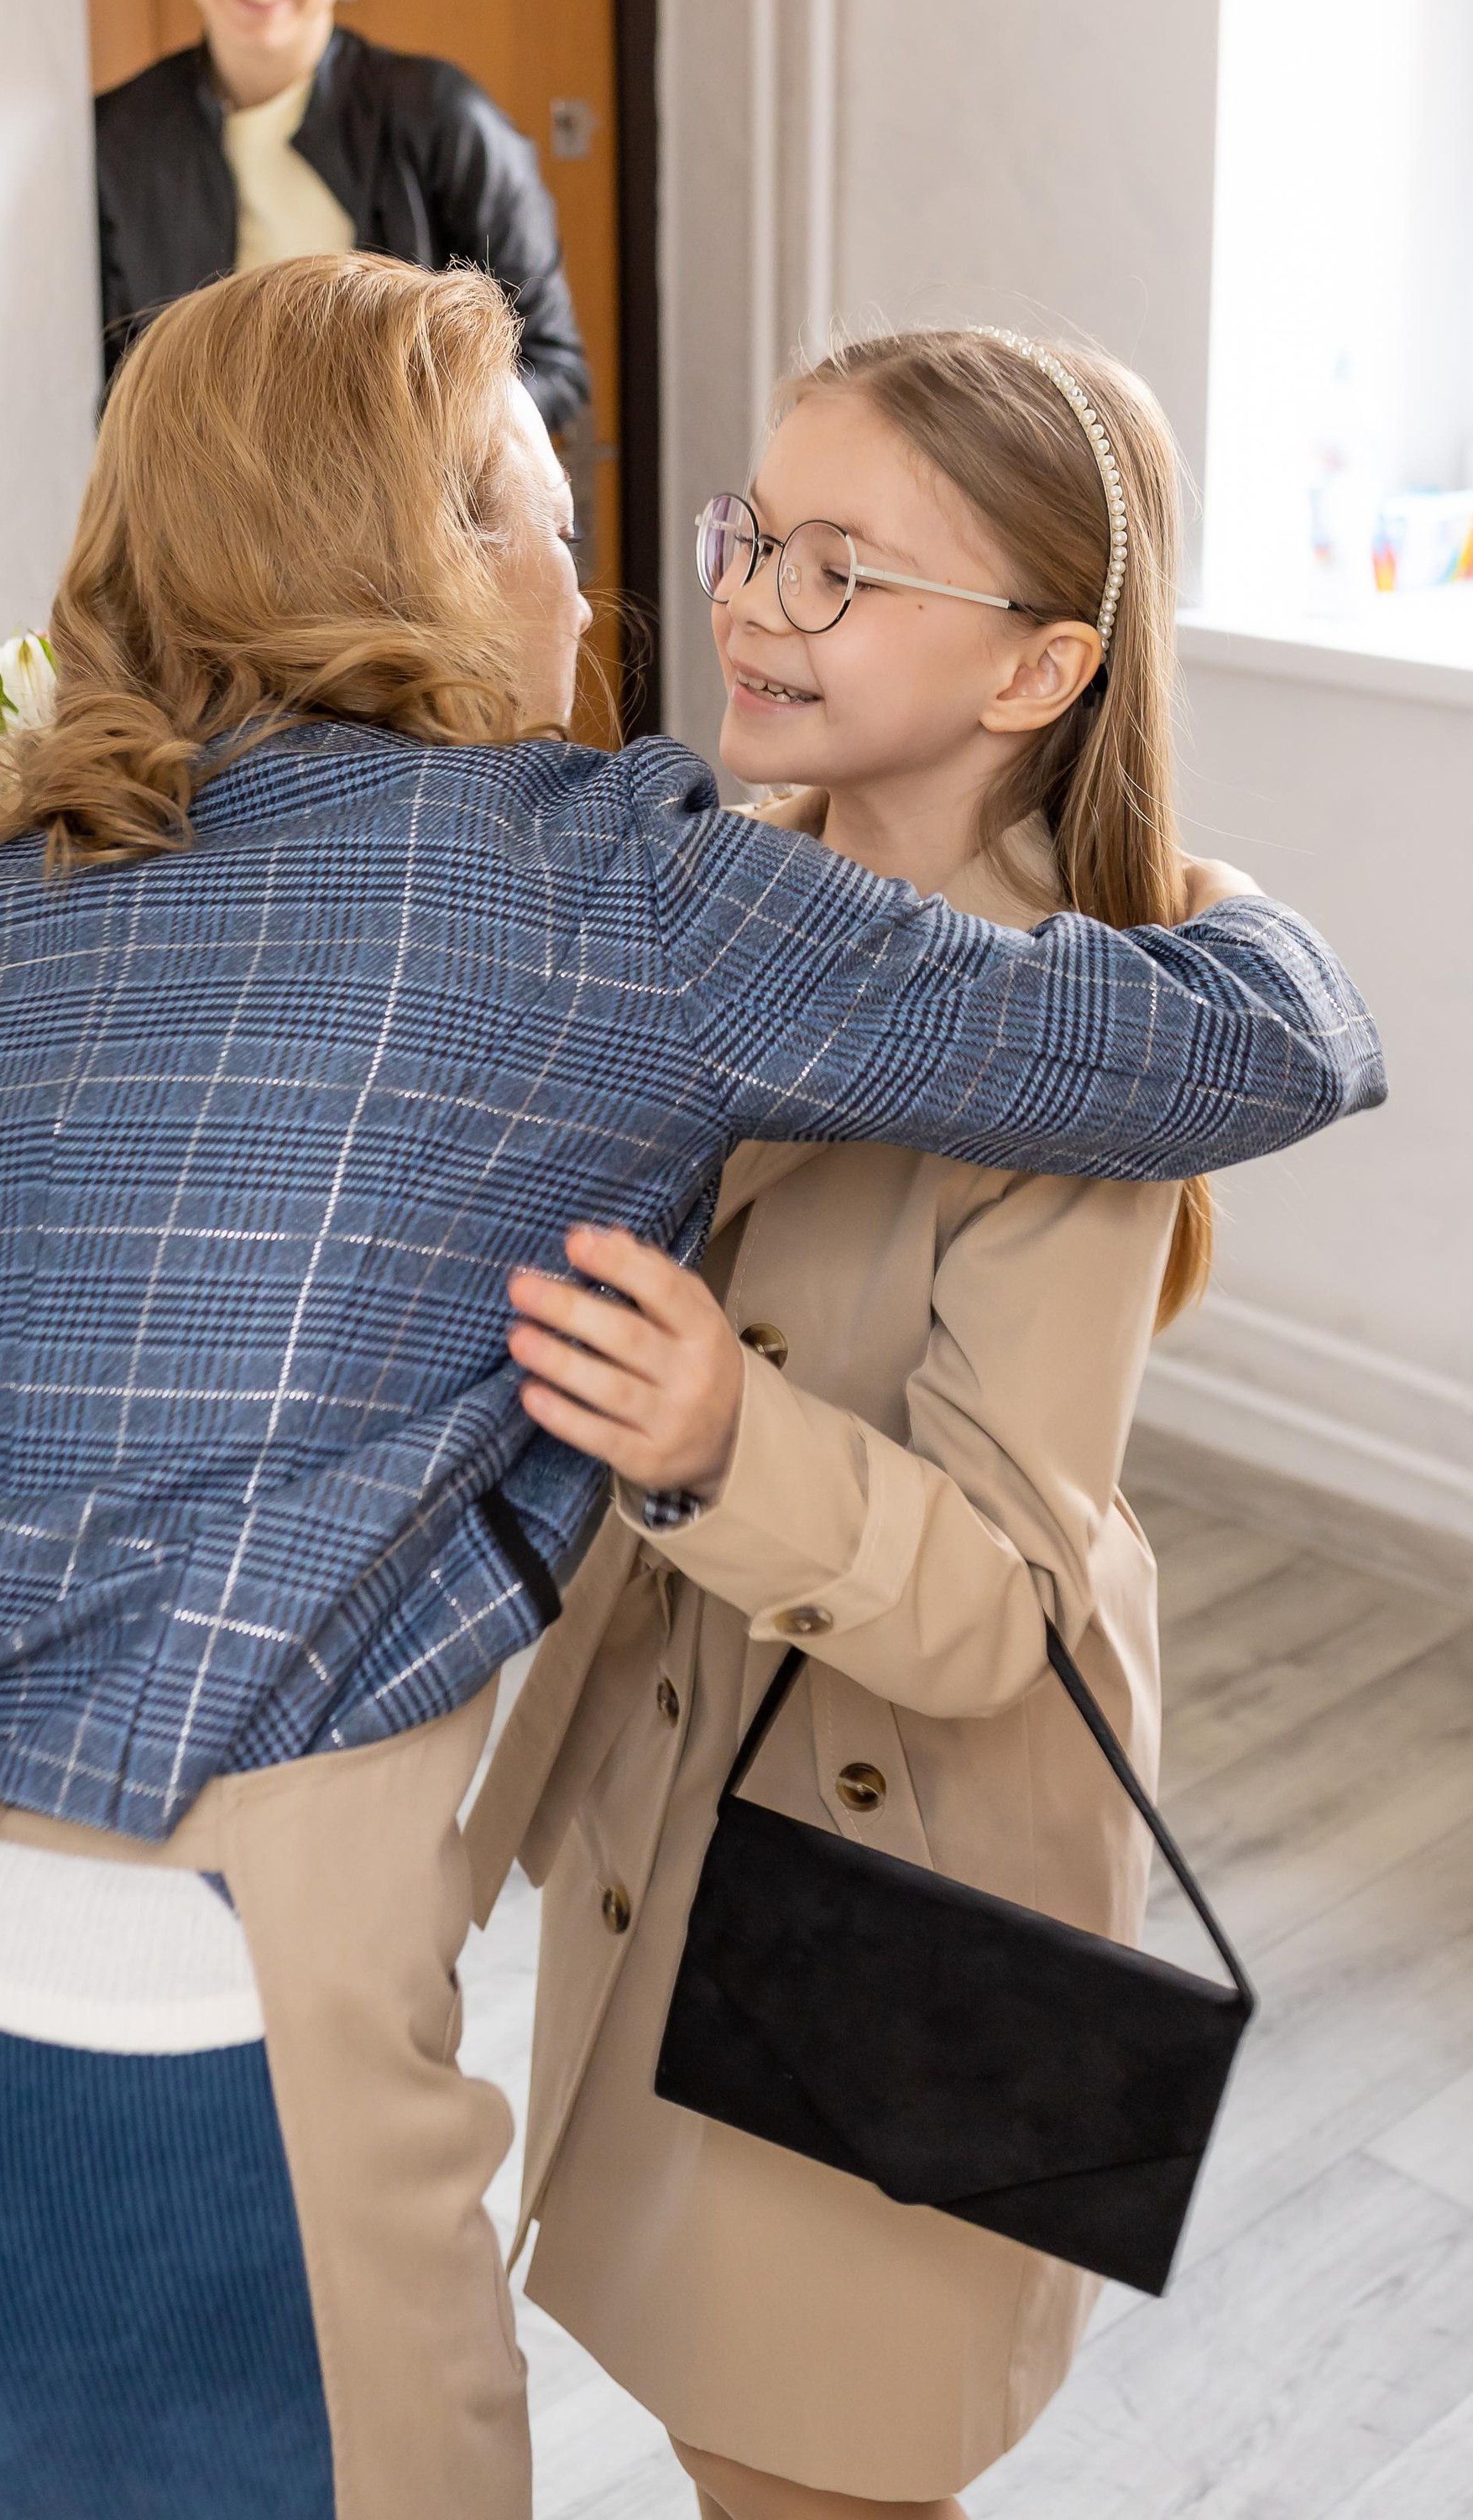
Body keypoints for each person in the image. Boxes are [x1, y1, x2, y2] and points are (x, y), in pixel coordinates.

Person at [0, 259, 1380, 2520]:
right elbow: (1263, 1042)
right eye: (565, 517)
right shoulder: (623, 893)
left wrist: (733, 1450)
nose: (632, 592)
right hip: (129, 2064)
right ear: (417, 552)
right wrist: (1236, 902)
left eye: (834, 565)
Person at [478, 326, 1263, 2519]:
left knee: (810, 2455)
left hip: (885, 1886)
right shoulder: (720, 881)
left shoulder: (1083, 1048)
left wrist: (720, 1437)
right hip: (674, 1820)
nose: (746, 603)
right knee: (710, 2412)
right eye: (751, 537)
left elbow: (998, 1604)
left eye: (838, 569)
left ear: (1036, 670)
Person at [94, 0, 590, 434]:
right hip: (202, 511)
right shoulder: (117, 141)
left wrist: (397, 436)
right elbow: (111, 391)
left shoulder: (441, 117)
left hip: (415, 507)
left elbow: (553, 366)